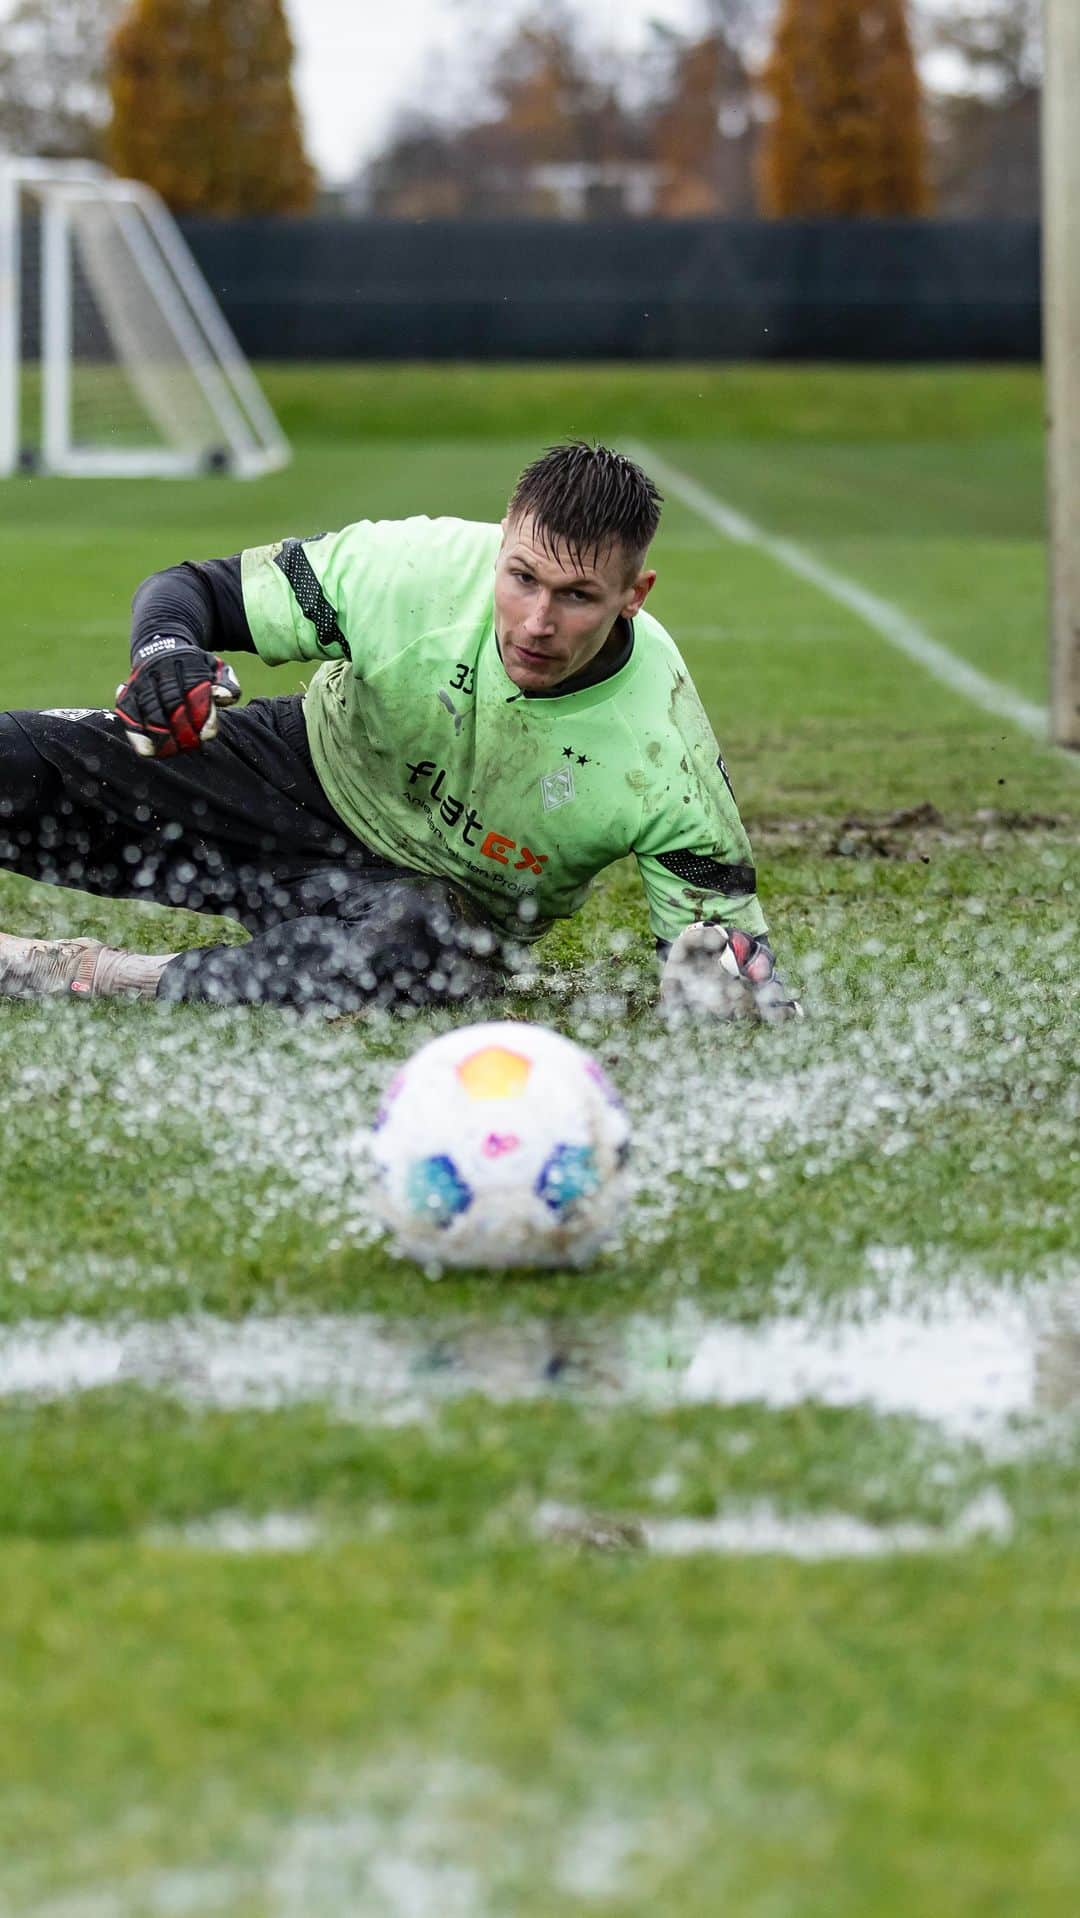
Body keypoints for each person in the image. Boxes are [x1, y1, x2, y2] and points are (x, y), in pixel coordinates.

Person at [0, 441, 797, 1018]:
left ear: (636, 594)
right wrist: (166, 655)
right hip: (301, 769)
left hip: (446, 902)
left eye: (577, 596)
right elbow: (194, 589)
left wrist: (724, 983)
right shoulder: (413, 568)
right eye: (521, 578)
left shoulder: (667, 756)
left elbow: (730, 971)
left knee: (406, 950)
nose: (536, 621)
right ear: (500, 547)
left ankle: (91, 974)